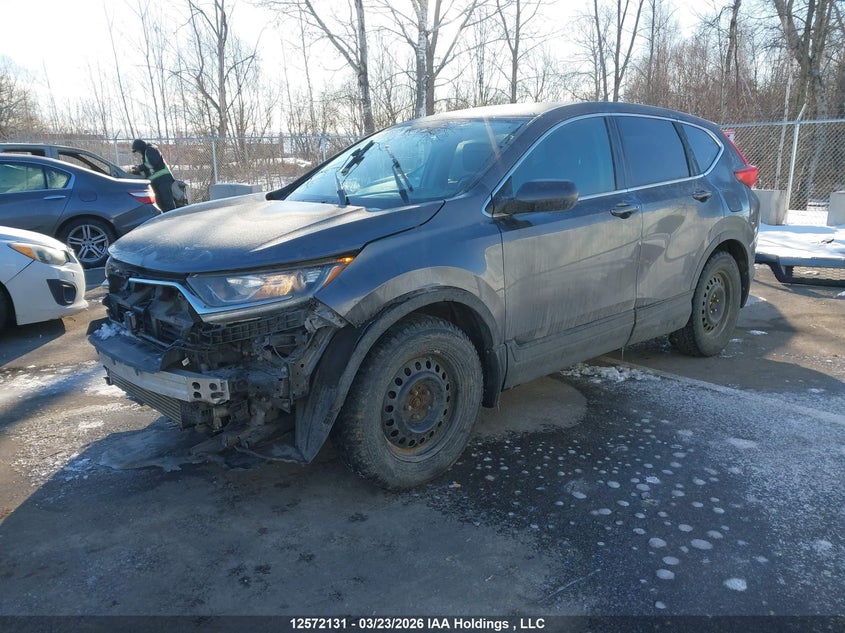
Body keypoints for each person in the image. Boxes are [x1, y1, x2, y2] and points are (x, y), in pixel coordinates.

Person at [131, 139, 176, 211]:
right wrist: (138, 170)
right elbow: (150, 169)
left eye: (138, 150)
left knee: (167, 201)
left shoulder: (150, 150)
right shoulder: (147, 152)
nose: (138, 152)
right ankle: (166, 217)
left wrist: (140, 168)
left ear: (141, 147)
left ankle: (172, 218)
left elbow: (152, 163)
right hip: (157, 181)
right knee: (161, 202)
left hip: (163, 179)